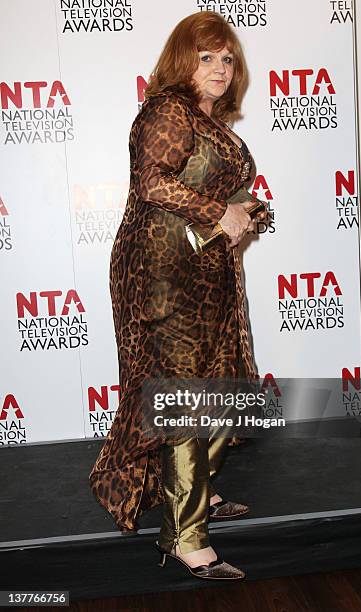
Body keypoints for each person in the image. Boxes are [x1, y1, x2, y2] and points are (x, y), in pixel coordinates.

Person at [89, 11, 268, 581]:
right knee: (185, 396)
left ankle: (195, 493)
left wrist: (246, 213)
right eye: (207, 57)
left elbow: (215, 193)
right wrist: (223, 210)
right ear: (182, 61)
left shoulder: (210, 119)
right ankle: (185, 537)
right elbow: (154, 182)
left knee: (223, 387)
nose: (220, 67)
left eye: (227, 58)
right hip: (162, 275)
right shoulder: (169, 108)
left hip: (205, 272)